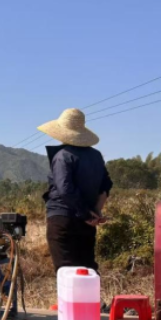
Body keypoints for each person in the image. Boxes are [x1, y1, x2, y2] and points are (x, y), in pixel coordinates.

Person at [38, 108, 112, 272]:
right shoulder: (96, 156)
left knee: (67, 272)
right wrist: (95, 212)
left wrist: (85, 214)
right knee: (87, 269)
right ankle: (91, 298)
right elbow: (106, 185)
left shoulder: (63, 156)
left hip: (64, 220)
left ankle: (73, 299)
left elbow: (65, 189)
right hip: (87, 222)